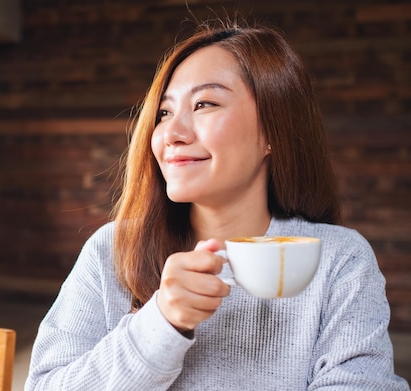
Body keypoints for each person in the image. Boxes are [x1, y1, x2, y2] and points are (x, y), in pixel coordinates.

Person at [24, 20, 410, 390]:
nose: (172, 134)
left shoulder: (339, 260)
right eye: (164, 112)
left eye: (205, 104)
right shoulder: (112, 250)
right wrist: (160, 323)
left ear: (274, 130)